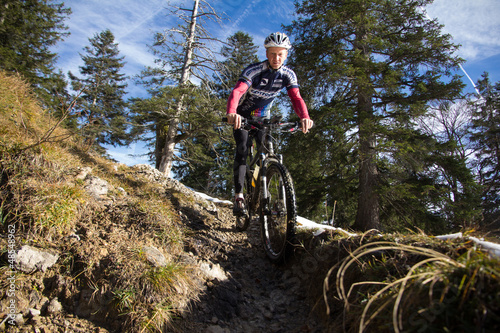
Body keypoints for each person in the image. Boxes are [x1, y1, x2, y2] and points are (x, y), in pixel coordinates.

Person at [226, 32, 314, 215]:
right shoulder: (254, 70)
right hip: (243, 117)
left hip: (262, 118)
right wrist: (232, 113)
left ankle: (258, 186)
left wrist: (304, 116)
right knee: (242, 149)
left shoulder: (288, 74)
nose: (276, 58)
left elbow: (296, 97)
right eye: (273, 53)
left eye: (281, 54)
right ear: (266, 54)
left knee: (264, 152)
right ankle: (239, 197)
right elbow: (238, 91)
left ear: (286, 54)